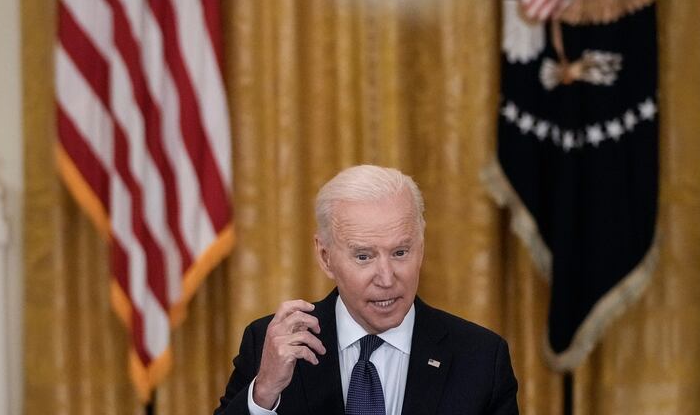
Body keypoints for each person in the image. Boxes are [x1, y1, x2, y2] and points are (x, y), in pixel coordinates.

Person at [214, 165, 519, 414]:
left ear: (421, 248)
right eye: (364, 256)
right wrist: (264, 392)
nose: (386, 278)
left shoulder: (480, 358)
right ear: (325, 257)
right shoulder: (270, 345)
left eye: (400, 252)